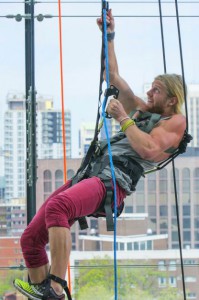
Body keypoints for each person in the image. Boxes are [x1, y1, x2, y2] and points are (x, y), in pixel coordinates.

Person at [13, 9, 186, 300]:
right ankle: (44, 293)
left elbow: (149, 149)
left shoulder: (175, 122)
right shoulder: (143, 110)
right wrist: (108, 36)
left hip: (112, 181)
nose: (149, 93)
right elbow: (114, 77)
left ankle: (55, 286)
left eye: (156, 90)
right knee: (31, 239)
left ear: (172, 99)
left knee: (59, 209)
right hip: (92, 174)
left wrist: (122, 117)